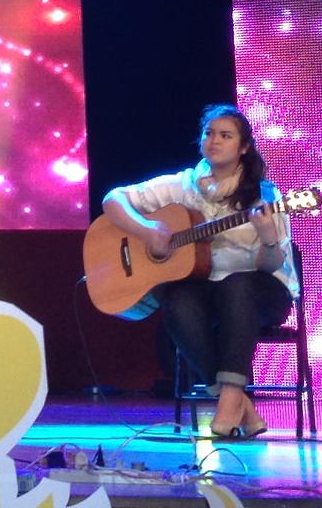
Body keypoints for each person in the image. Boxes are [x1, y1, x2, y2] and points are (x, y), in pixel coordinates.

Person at [101, 104, 298, 439]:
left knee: (238, 287)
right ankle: (237, 403)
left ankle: (229, 400)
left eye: (225, 135)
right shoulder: (182, 186)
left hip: (262, 291)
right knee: (177, 300)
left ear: (244, 147)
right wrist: (147, 231)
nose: (214, 141)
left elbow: (271, 265)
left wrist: (268, 239)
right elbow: (113, 199)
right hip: (208, 289)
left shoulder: (265, 195)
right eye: (209, 133)